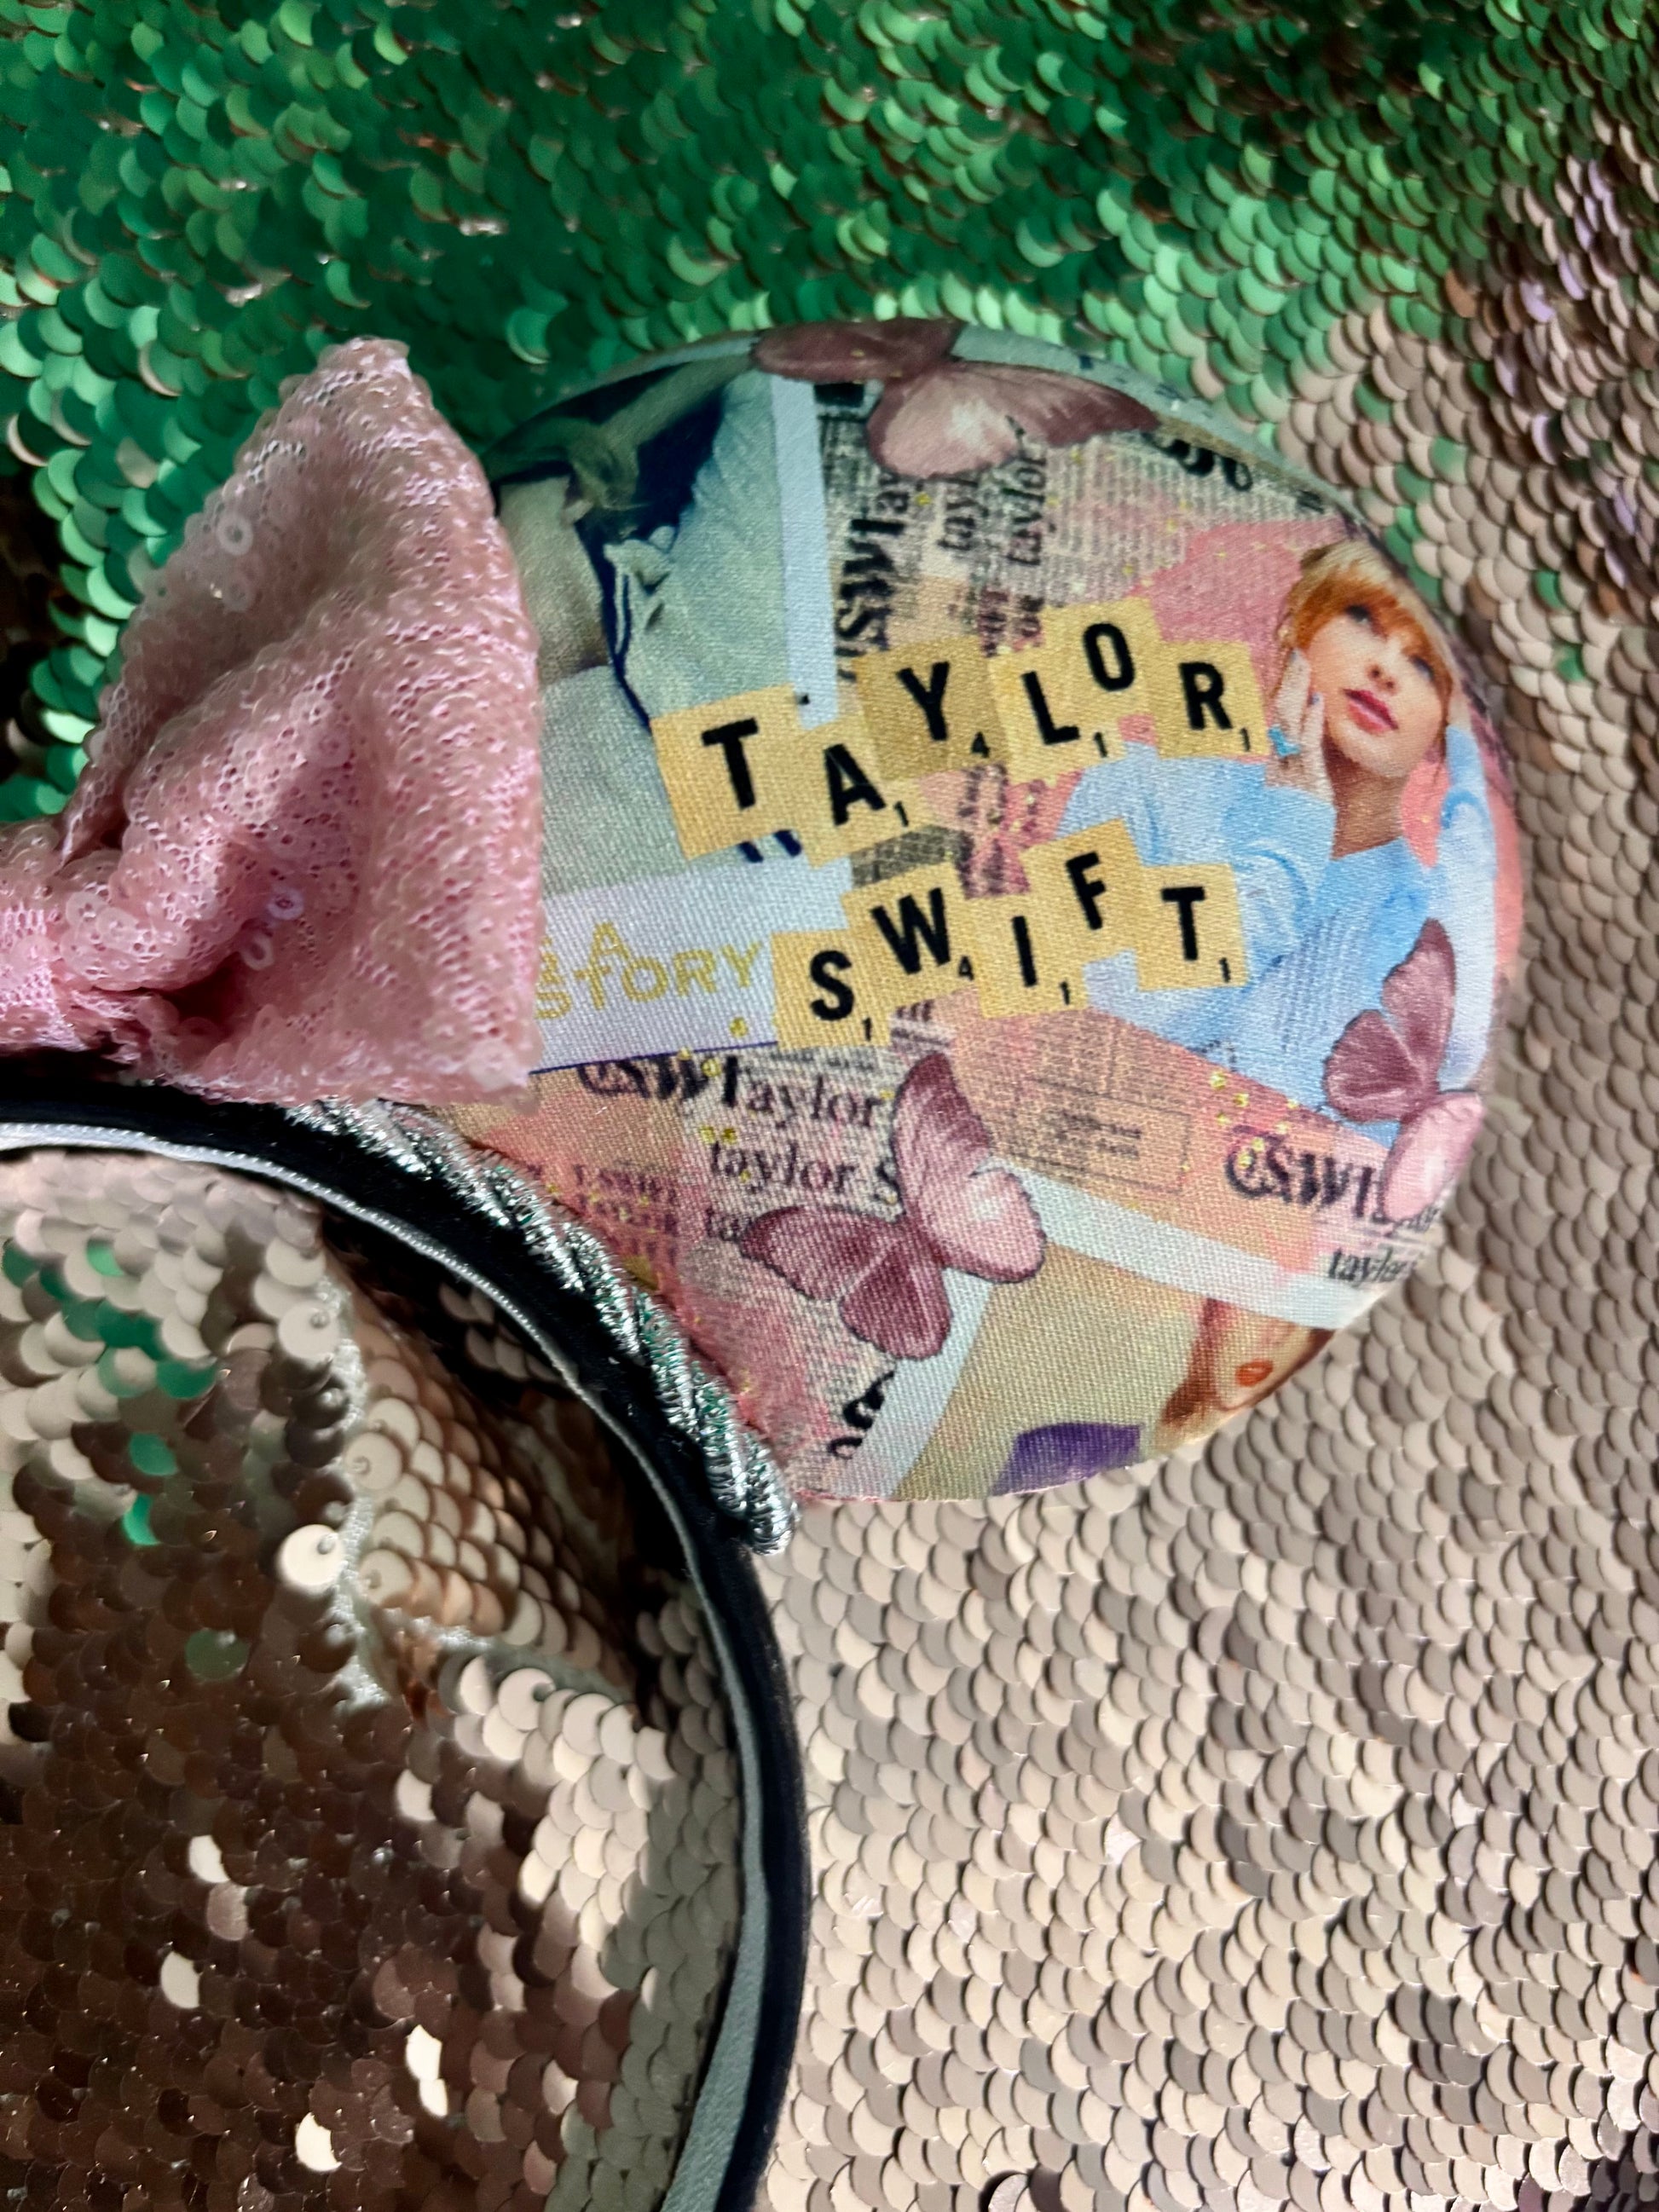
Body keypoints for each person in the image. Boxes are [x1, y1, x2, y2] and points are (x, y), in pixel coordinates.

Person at [1059, 536, 1500, 1136]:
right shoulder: (1135, 787)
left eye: (1426, 666)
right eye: (1363, 618)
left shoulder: (1428, 914)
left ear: (1447, 725)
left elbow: (1460, 1055)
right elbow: (1107, 1028)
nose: (1386, 669)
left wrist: (1473, 763)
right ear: (1300, 624)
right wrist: (1291, 832)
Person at [492, 352, 797, 895]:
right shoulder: (749, 646)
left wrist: (596, 452)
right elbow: (773, 368)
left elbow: (773, 367)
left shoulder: (726, 618)